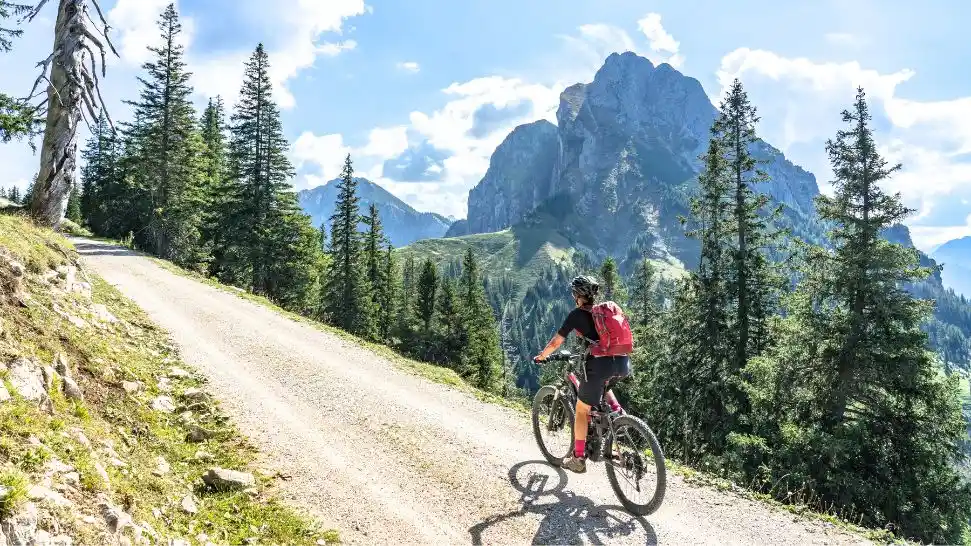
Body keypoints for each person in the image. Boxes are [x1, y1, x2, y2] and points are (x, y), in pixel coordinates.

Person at [533, 275, 630, 473]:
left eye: (573, 293)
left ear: (578, 295)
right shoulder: (604, 313)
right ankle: (619, 414)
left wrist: (542, 356)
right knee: (604, 385)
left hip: (599, 366)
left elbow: (556, 342)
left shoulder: (577, 315)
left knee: (581, 410)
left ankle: (578, 459)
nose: (573, 297)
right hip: (622, 362)